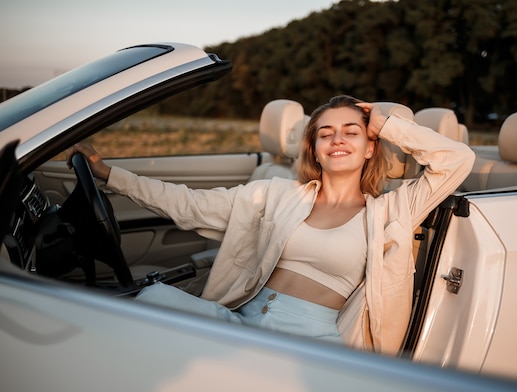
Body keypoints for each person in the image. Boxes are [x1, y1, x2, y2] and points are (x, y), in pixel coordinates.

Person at [67, 96, 475, 354]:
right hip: (240, 318)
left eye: (352, 131)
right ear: (314, 148)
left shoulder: (391, 210)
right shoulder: (278, 194)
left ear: (371, 148)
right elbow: (189, 205)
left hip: (308, 342)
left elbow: (457, 160)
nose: (337, 139)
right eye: (325, 132)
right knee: (153, 300)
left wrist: (385, 122)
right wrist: (109, 175)